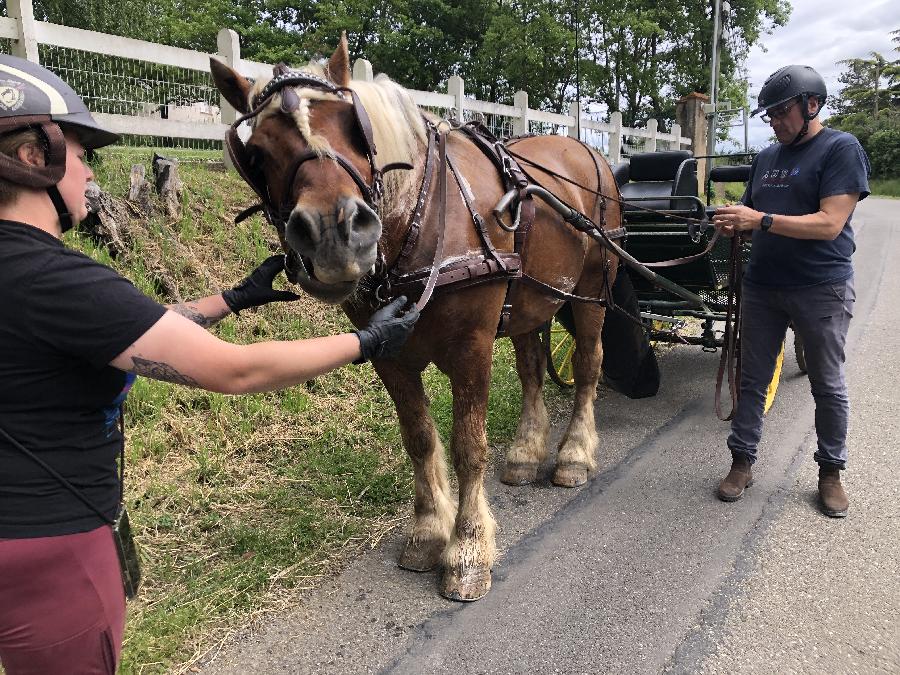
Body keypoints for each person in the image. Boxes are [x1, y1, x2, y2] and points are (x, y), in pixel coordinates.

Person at [0, 54, 419, 675]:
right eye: (82, 153)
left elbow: (129, 332)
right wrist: (366, 343)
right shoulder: (51, 276)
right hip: (52, 551)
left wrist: (231, 299)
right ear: (35, 158)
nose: (89, 173)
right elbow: (235, 372)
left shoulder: (26, 275)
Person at [712, 64, 870, 518]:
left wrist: (757, 220)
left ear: (811, 106)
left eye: (782, 112)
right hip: (763, 286)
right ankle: (741, 462)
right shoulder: (766, 158)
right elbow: (753, 211)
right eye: (770, 116)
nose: (776, 122)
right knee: (752, 378)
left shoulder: (841, 149)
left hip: (821, 287)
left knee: (828, 384)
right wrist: (732, 222)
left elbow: (829, 223)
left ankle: (830, 472)